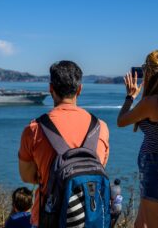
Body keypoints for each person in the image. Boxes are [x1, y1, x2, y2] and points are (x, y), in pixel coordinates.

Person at [18, 60, 110, 227]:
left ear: (50, 89)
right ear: (80, 89)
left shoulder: (34, 129)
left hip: (48, 218)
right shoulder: (101, 127)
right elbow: (99, 166)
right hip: (91, 218)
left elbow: (27, 176)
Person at [117, 50, 158, 228]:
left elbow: (121, 121)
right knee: (140, 224)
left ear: (150, 72)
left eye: (145, 67)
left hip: (156, 167)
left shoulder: (152, 101)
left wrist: (130, 97)